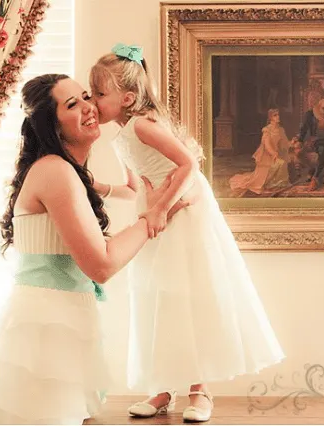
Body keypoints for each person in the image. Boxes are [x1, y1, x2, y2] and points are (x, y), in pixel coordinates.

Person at [0, 74, 188, 425]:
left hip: (59, 319)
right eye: (72, 104)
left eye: (87, 97)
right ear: (50, 125)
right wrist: (153, 216)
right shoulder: (55, 172)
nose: (89, 107)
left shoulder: (70, 172)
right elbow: (102, 265)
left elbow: (126, 192)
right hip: (46, 329)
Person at [89, 44, 285, 423]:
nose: (93, 101)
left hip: (183, 215)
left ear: (127, 98)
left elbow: (188, 163)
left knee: (190, 296)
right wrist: (97, 186)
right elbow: (133, 188)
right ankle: (164, 387)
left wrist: (162, 207)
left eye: (100, 94)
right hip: (156, 217)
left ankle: (201, 389)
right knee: (158, 297)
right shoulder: (122, 135)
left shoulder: (143, 126)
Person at [229, 108, 290, 197]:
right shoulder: (267, 130)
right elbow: (267, 145)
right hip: (267, 156)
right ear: (270, 118)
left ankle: (278, 184)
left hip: (276, 154)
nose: (278, 117)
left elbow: (285, 143)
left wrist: (292, 143)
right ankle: (272, 184)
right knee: (259, 180)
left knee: (282, 163)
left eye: (278, 115)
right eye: (275, 115)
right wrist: (273, 153)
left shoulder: (281, 129)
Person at [297, 97, 324, 190]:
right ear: (319, 107)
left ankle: (315, 178)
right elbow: (304, 128)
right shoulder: (310, 115)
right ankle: (312, 171)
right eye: (323, 108)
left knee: (322, 151)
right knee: (300, 153)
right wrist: (300, 141)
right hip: (313, 140)